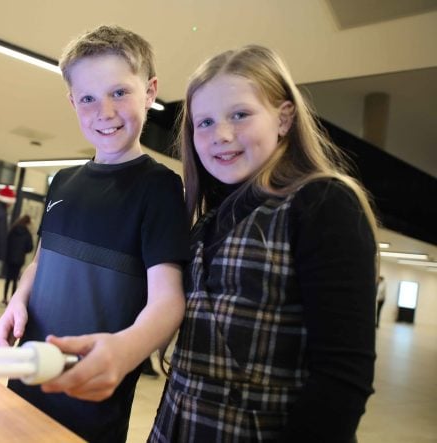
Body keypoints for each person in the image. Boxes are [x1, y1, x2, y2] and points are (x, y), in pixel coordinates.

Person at [149, 45, 378, 442]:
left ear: (284, 118)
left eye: (240, 114)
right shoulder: (206, 218)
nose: (220, 135)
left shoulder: (321, 203)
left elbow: (343, 377)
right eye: (204, 122)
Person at [0, 25, 190, 442]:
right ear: (72, 102)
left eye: (119, 92)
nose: (104, 111)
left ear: (150, 92)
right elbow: (40, 262)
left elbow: (169, 300)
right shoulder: (62, 182)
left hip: (92, 397)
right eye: (88, 98)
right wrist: (18, 300)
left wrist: (127, 351)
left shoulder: (160, 188)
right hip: (28, 373)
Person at [2, 215, 34, 305]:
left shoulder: (13, 229)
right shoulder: (27, 233)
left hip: (9, 257)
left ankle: (4, 298)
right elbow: (30, 247)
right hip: (19, 259)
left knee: (8, 278)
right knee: (15, 279)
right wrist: (23, 250)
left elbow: (7, 241)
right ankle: (12, 298)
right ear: (27, 223)